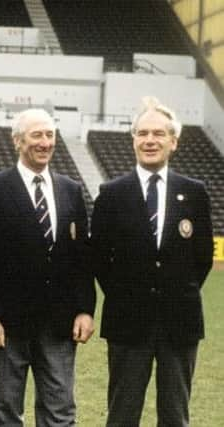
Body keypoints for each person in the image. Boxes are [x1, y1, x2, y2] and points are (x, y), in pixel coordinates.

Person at [90, 97, 213, 427]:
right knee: (122, 414)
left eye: (159, 133)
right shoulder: (112, 193)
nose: (149, 140)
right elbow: (100, 258)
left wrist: (175, 291)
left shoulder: (195, 192)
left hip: (180, 321)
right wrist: (128, 294)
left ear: (173, 141)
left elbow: (201, 257)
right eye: (142, 133)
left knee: (175, 415)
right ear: (133, 140)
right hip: (128, 321)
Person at [0, 108, 95, 426]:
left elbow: (81, 257)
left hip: (59, 324)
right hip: (7, 325)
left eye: (50, 135)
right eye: (36, 135)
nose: (45, 142)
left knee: (60, 412)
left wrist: (85, 309)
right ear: (17, 140)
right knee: (7, 413)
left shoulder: (70, 189)